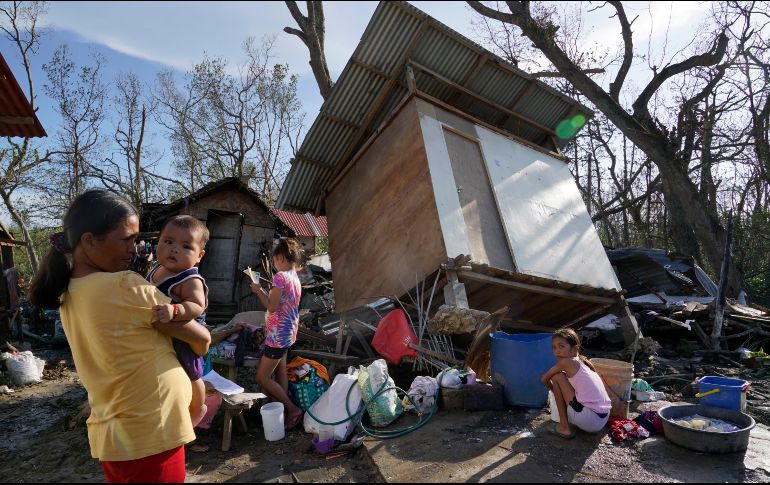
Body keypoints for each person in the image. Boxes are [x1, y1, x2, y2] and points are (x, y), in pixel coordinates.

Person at [28, 190, 211, 483]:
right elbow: (201, 341)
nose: (134, 248)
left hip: (119, 433)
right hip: (150, 431)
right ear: (88, 241)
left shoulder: (70, 292)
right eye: (127, 239)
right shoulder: (125, 286)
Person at [146, 215, 210, 431]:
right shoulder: (156, 269)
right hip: (164, 331)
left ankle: (198, 407)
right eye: (168, 241)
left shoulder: (190, 279)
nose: (174, 249)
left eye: (185, 246)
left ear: (199, 255)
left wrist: (176, 309)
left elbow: (197, 305)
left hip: (186, 332)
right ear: (158, 243)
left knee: (191, 372)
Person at [250, 237, 304, 430]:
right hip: (289, 332)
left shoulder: (280, 277)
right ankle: (282, 410)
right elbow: (280, 302)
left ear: (280, 257)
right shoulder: (294, 277)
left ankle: (293, 409)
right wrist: (265, 291)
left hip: (277, 336)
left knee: (262, 377)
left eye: (274, 259)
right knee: (280, 370)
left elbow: (271, 307)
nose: (273, 263)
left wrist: (257, 290)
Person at [541, 328, 611, 439]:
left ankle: (563, 427)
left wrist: (557, 394)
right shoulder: (582, 362)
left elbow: (544, 379)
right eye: (554, 347)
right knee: (560, 378)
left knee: (557, 377)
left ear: (575, 349)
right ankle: (568, 422)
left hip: (590, 420)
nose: (557, 351)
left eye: (561, 346)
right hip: (602, 419)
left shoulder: (566, 362)